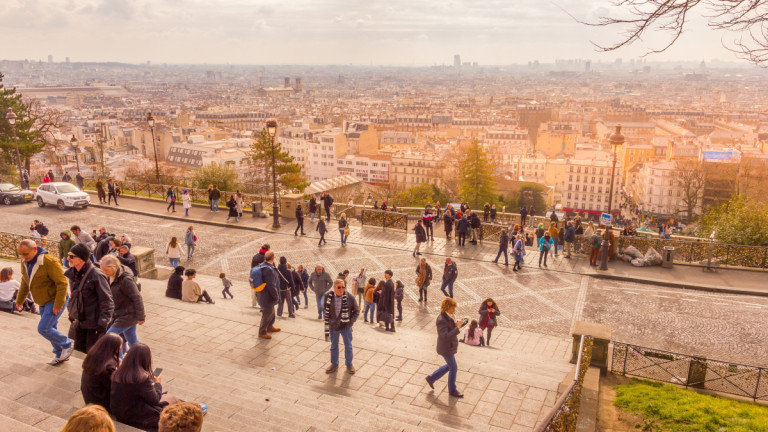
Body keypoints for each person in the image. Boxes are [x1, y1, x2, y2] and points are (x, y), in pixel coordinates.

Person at [110, 343, 179, 432]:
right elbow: (155, 399)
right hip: (137, 417)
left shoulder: (118, 373)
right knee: (171, 404)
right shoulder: (141, 378)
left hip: (120, 412)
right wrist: (157, 383)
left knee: (170, 401)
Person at [65, 244, 114, 354]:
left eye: (71, 256)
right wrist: (71, 313)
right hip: (80, 321)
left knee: (92, 354)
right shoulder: (74, 273)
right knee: (80, 351)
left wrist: (102, 324)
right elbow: (74, 296)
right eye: (68, 255)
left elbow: (107, 301)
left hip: (94, 325)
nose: (68, 258)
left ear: (81, 258)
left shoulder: (96, 275)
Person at [101, 255, 145, 355]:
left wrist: (141, 317)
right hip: (121, 313)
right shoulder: (111, 277)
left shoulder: (125, 280)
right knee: (132, 340)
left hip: (128, 314)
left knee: (111, 338)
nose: (104, 273)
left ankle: (119, 362)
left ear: (113, 267)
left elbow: (137, 297)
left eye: (106, 270)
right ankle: (140, 359)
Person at [425, 297, 466, 398]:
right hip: (445, 348)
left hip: (449, 346)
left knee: (450, 366)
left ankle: (431, 378)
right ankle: (452, 390)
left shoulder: (449, 316)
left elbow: (449, 329)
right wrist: (457, 328)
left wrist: (458, 324)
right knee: (453, 367)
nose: (454, 310)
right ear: (447, 307)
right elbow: (445, 336)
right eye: (453, 308)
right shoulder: (441, 320)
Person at [323, 278, 360, 374]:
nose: (341, 289)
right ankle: (334, 364)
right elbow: (325, 309)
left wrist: (350, 322)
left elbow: (356, 311)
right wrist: (330, 321)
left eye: (343, 287)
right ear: (334, 287)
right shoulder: (328, 296)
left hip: (346, 327)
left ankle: (349, 364)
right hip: (334, 327)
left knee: (348, 346)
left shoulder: (350, 297)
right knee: (334, 346)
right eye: (339, 287)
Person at [81, 332, 123, 411]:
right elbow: (114, 388)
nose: (121, 348)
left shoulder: (94, 355)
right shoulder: (108, 366)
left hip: (89, 396)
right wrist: (119, 369)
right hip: (100, 402)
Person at [253, 251, 280, 338]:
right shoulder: (268, 269)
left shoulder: (263, 265)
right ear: (272, 258)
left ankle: (270, 326)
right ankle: (262, 331)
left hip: (263, 294)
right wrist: (276, 296)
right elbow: (271, 285)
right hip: (267, 295)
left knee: (271, 312)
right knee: (267, 313)